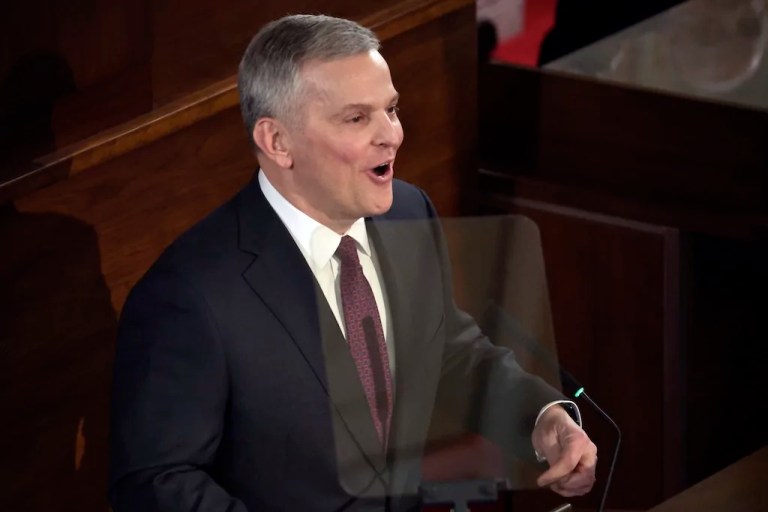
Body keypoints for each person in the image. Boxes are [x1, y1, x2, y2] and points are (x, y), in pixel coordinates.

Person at [108, 14, 597, 512]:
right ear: (277, 142)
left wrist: (540, 419)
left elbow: (447, 352)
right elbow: (156, 482)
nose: (392, 135)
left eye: (391, 109)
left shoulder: (408, 212)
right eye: (357, 118)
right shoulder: (191, 295)